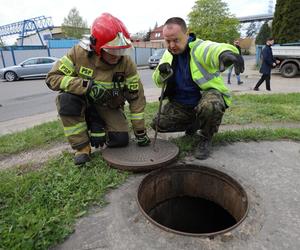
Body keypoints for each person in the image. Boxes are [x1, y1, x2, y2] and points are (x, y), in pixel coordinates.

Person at [46, 13, 150, 165]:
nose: (118, 56)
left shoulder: (126, 63)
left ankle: (99, 125)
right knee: (66, 100)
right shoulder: (78, 54)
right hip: (81, 103)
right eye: (112, 51)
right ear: (97, 47)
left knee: (120, 140)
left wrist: (140, 131)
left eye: (121, 51)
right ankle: (82, 147)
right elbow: (52, 78)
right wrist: (86, 86)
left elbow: (136, 96)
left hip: (108, 105)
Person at [151, 17, 244, 160]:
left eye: (176, 40)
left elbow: (213, 49)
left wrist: (225, 53)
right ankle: (194, 123)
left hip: (204, 97)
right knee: (158, 123)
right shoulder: (168, 54)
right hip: (182, 104)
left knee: (211, 106)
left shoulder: (199, 47)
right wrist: (162, 73)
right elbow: (157, 81)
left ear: (187, 34)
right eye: (167, 41)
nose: (172, 45)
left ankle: (205, 138)